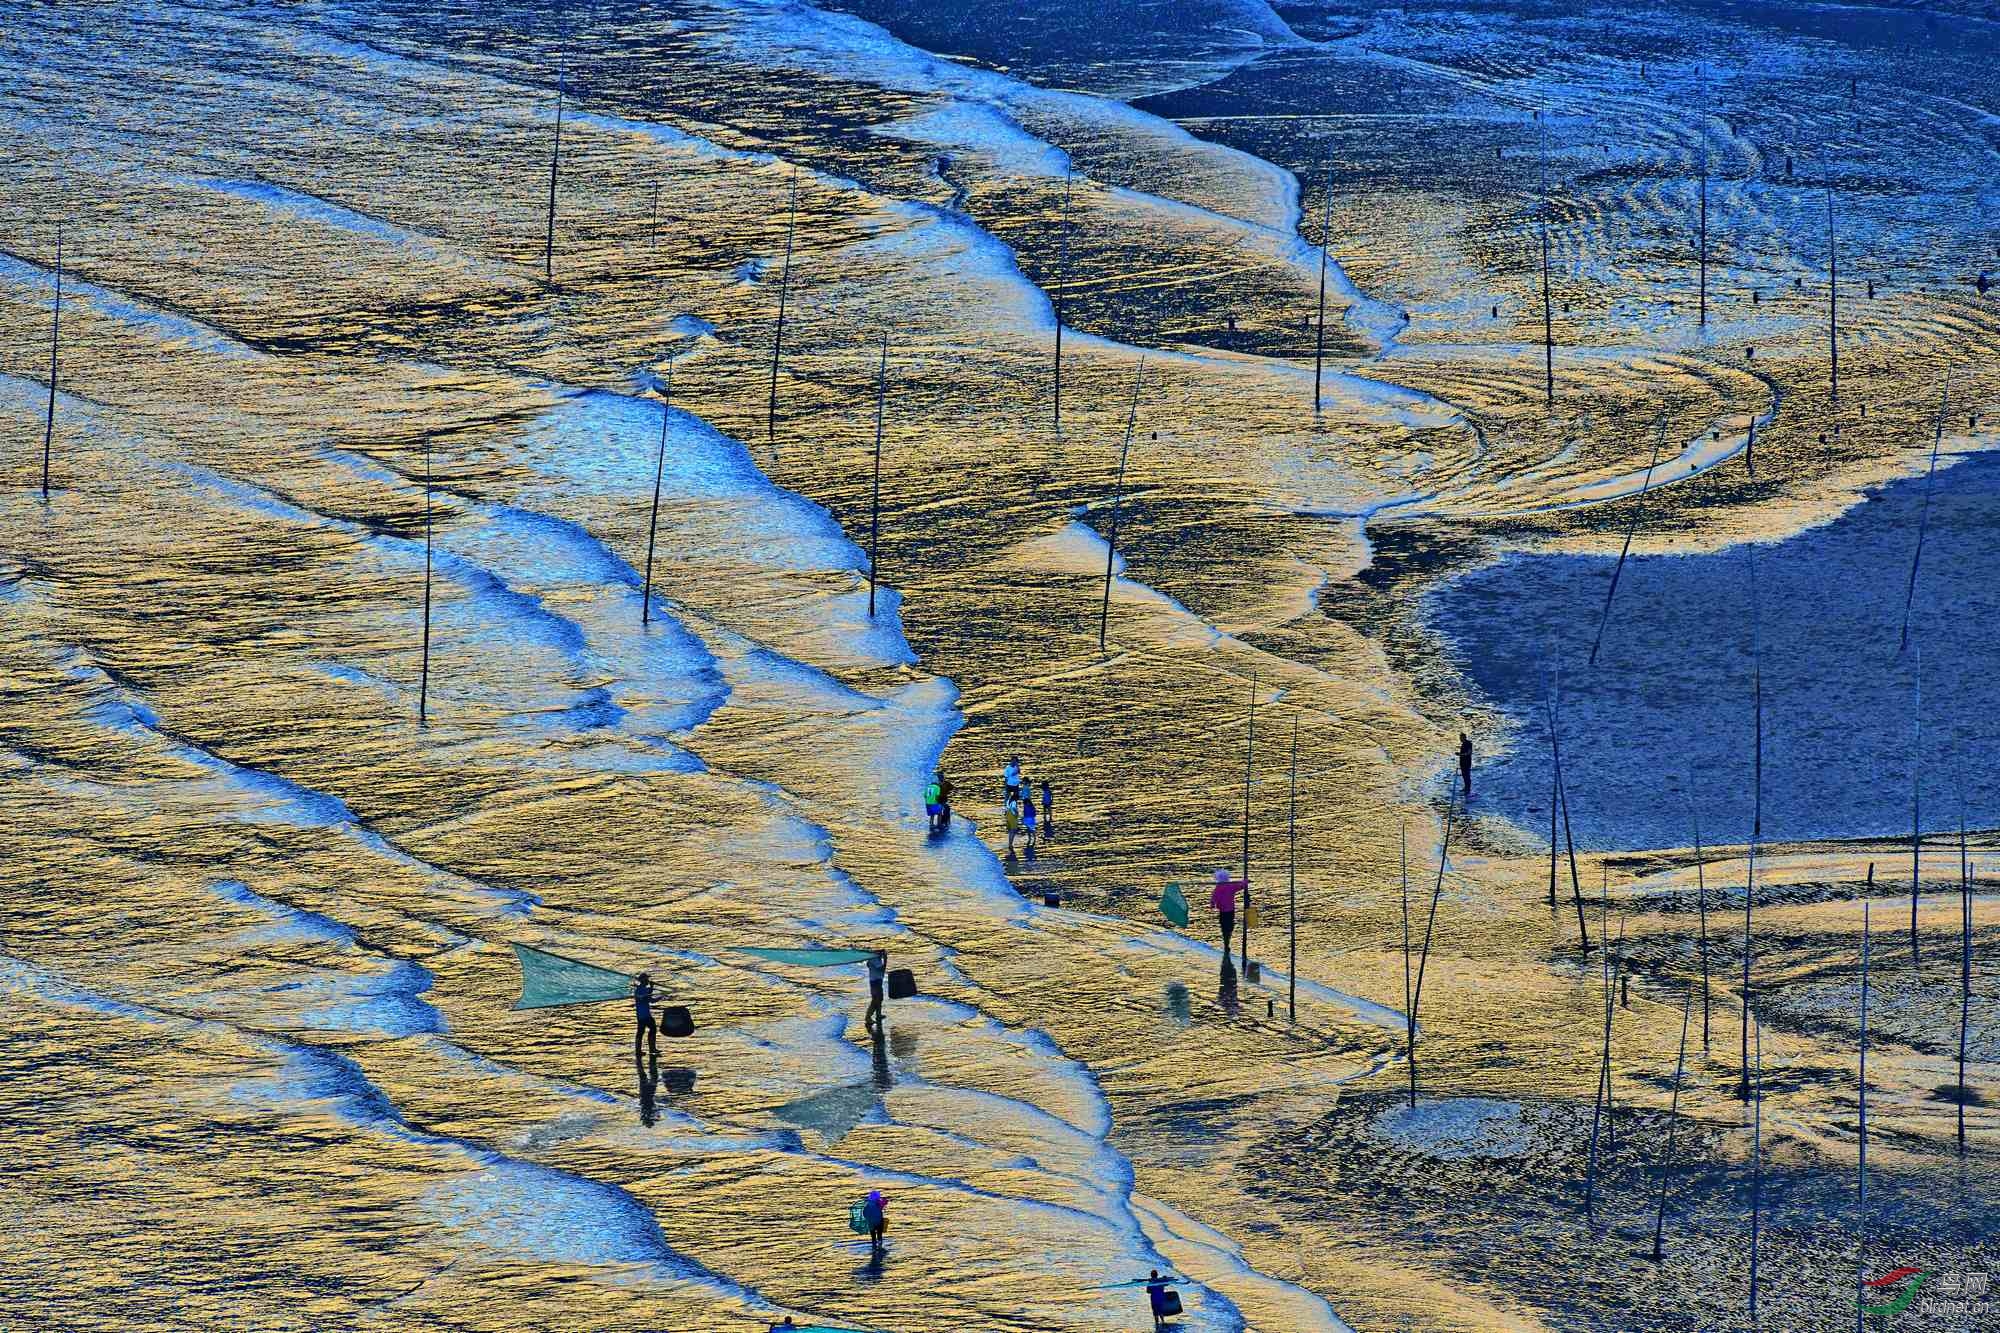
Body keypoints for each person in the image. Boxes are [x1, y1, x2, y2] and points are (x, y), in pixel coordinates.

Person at [1211, 869, 1244, 953]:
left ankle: (1226, 942)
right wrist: (1245, 882)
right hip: (1230, 910)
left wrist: (1212, 904)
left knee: (1224, 926)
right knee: (1229, 926)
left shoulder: (1218, 887)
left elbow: (1214, 897)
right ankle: (1227, 940)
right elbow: (1241, 885)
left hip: (1223, 911)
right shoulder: (1231, 886)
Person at [633, 972, 658, 1061]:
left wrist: (651, 987)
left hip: (640, 1015)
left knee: (641, 1032)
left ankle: (638, 1051)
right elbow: (651, 1000)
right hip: (645, 1015)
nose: (648, 980)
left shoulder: (641, 989)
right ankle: (652, 1049)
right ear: (643, 980)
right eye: (647, 979)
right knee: (652, 1029)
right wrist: (661, 997)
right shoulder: (641, 990)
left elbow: (649, 992)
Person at [864, 949, 887, 1032]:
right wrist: (886, 958)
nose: (882, 953)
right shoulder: (874, 959)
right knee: (875, 1000)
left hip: (877, 980)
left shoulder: (875, 958)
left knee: (879, 998)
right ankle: (868, 1017)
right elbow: (882, 969)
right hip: (875, 981)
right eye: (881, 952)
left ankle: (878, 1014)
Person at [862, 1189, 887, 1256]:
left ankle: (874, 1246)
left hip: (870, 1223)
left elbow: (864, 1213)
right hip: (879, 1222)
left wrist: (868, 1219)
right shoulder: (879, 1204)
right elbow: (885, 1202)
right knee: (879, 1234)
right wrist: (883, 1200)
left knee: (873, 1236)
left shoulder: (867, 1205)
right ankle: (880, 1245)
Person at [1004, 794, 1022, 860]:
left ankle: (1010, 843)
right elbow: (1014, 808)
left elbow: (1006, 809)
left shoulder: (1008, 800)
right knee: (1013, 830)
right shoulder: (1014, 802)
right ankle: (1010, 844)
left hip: (1008, 816)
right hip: (1012, 817)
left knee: (1010, 831)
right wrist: (1017, 813)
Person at [1458, 732, 1473, 804]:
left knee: (1467, 775)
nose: (1460, 739)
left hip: (1467, 763)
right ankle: (1466, 787)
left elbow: (1469, 753)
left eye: (1460, 738)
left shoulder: (1468, 743)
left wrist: (1460, 754)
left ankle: (1468, 789)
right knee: (1464, 775)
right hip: (1463, 762)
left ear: (1464, 737)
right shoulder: (1463, 744)